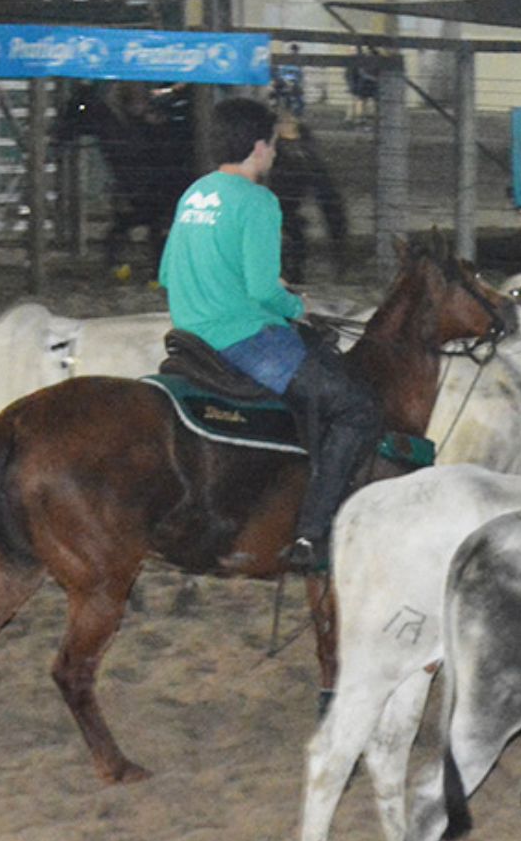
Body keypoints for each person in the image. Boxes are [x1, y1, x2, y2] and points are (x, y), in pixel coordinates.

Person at [158, 96, 381, 573]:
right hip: (242, 338)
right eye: (274, 144)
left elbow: (169, 273)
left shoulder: (195, 193)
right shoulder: (259, 201)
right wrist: (295, 305)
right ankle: (312, 535)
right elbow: (262, 290)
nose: (276, 153)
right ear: (259, 147)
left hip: (190, 332)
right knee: (356, 408)